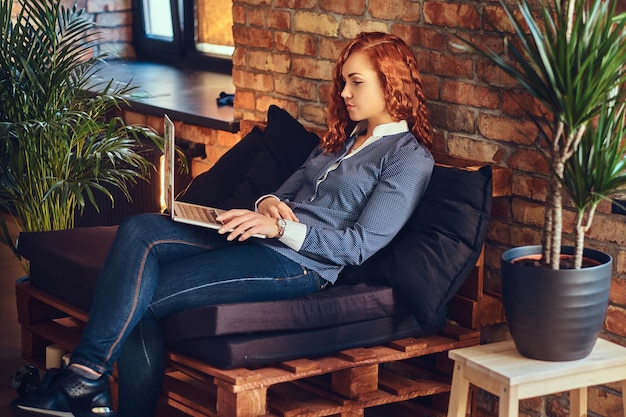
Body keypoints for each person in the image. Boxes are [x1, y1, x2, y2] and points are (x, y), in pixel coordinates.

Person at [12, 31, 434, 417]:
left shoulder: (407, 159)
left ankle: (87, 383)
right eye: (343, 82)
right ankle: (88, 383)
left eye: (355, 82)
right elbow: (282, 192)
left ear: (390, 82)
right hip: (255, 237)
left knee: (140, 300)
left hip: (300, 266)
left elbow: (359, 245)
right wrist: (267, 205)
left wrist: (280, 229)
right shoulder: (344, 138)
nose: (343, 92)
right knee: (141, 228)